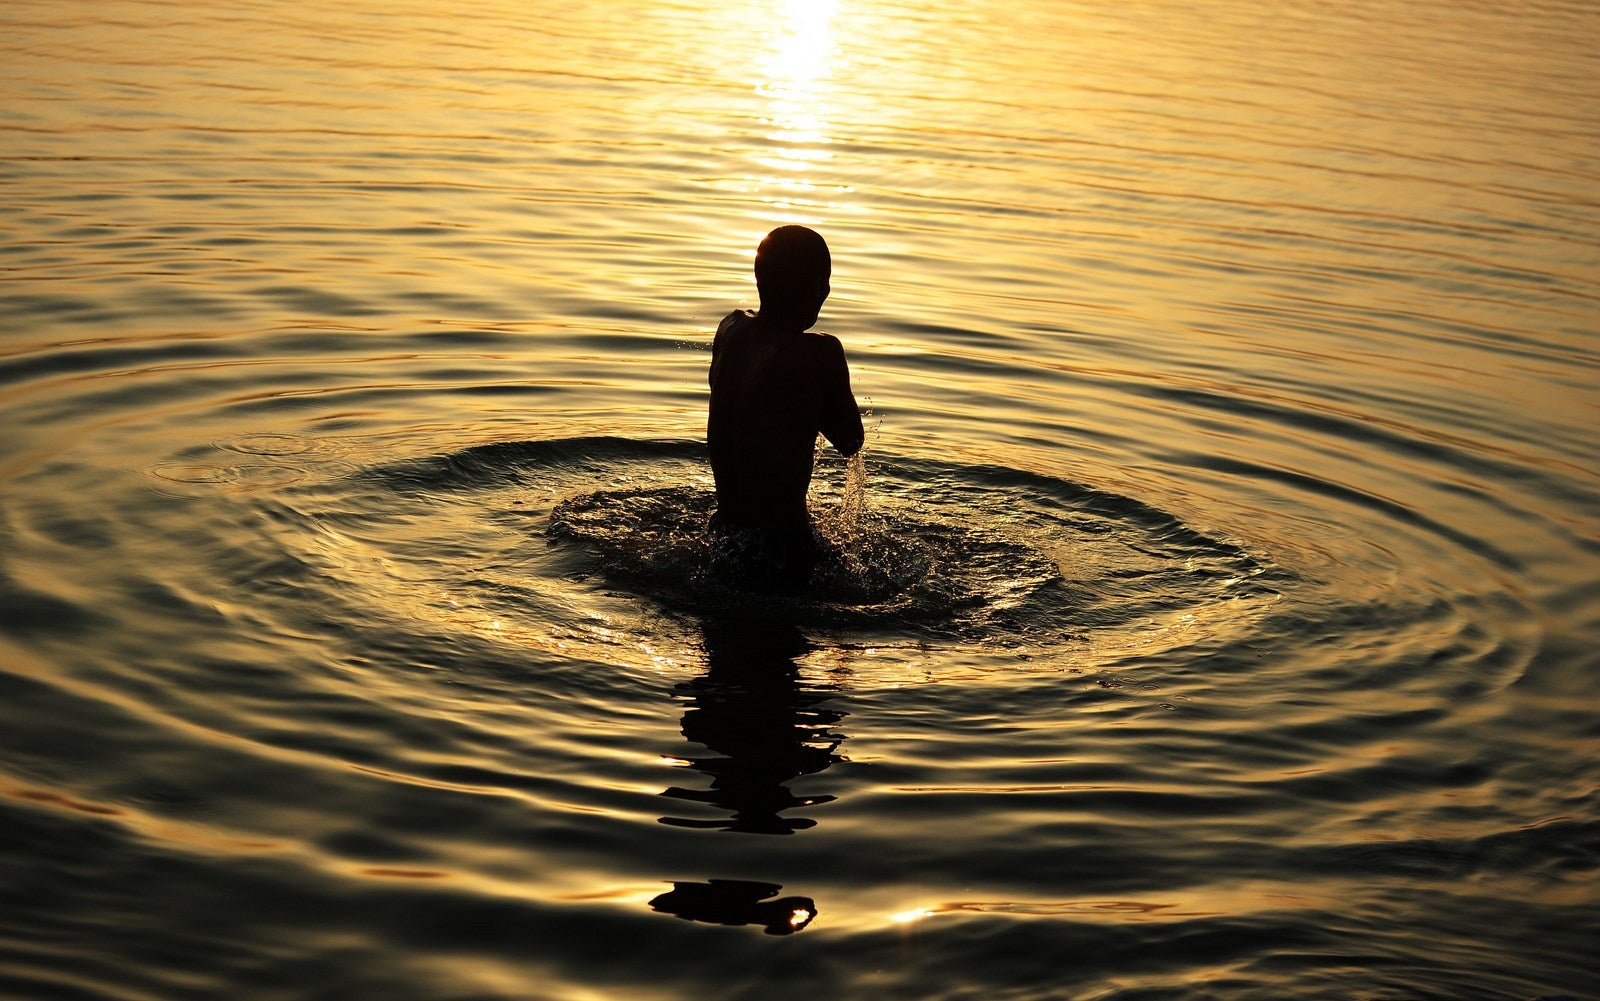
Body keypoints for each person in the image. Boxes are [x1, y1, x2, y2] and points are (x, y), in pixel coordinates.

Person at [706, 225, 864, 586]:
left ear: (759, 279)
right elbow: (851, 441)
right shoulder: (819, 353)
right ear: (820, 290)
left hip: (724, 540)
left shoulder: (730, 329)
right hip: (785, 552)